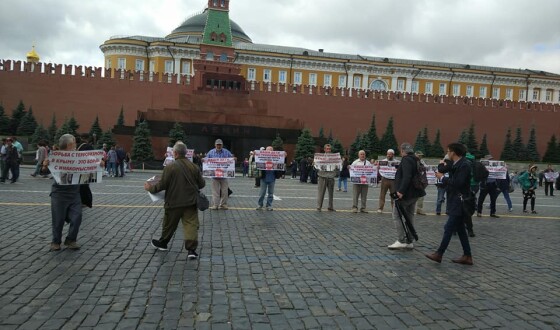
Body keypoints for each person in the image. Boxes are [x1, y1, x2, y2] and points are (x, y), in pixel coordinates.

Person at [145, 142, 205, 259]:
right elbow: (202, 184)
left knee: (169, 224)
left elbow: (162, 185)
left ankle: (163, 243)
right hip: (190, 202)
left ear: (176, 153)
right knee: (191, 225)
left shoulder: (170, 167)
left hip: (173, 202)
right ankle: (191, 250)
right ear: (185, 153)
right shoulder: (194, 167)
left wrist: (150, 188)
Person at [49, 134, 100, 251]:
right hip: (59, 193)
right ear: (68, 145)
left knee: (77, 217)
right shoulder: (56, 156)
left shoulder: (79, 157)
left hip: (74, 193)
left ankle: (71, 240)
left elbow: (91, 164)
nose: (76, 146)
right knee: (58, 219)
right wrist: (45, 165)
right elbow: (45, 169)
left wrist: (99, 164)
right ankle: (55, 241)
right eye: (74, 144)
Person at [426, 143, 474, 265]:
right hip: (455, 199)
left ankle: (439, 254)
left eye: (448, 151)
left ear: (453, 152)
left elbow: (458, 183)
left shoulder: (464, 165)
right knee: (461, 229)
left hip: (460, 200)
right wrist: (442, 162)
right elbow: (442, 169)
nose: (447, 153)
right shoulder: (456, 163)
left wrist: (442, 178)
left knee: (449, 227)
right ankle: (467, 256)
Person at [388, 143, 426, 250]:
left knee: (396, 215)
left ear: (402, 150)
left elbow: (407, 176)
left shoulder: (406, 159)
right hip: (415, 193)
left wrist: (401, 191)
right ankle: (409, 240)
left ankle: (401, 240)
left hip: (406, 194)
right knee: (410, 216)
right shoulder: (416, 159)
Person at [205, 139, 233, 210]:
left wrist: (234, 159)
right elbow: (206, 159)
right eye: (217, 144)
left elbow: (231, 158)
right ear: (215, 145)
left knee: (225, 191)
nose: (219, 146)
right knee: (215, 192)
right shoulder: (211, 152)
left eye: (220, 144)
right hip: (214, 176)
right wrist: (204, 160)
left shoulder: (226, 152)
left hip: (224, 175)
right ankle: (215, 205)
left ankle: (223, 204)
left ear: (222, 145)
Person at [256, 146, 284, 211]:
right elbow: (257, 161)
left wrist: (284, 156)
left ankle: (269, 205)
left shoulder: (275, 158)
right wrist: (255, 154)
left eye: (270, 150)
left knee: (271, 193)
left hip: (272, 178)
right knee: (262, 193)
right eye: (267, 150)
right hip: (264, 178)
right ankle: (260, 205)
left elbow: (281, 162)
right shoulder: (262, 158)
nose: (269, 152)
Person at [316, 144, 339, 211]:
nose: (329, 150)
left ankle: (330, 206)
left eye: (329, 149)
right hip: (322, 176)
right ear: (324, 149)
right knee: (321, 192)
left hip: (331, 176)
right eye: (327, 149)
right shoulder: (320, 157)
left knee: (331, 193)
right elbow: (317, 166)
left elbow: (337, 167)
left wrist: (339, 164)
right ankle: (319, 206)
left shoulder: (334, 157)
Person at [377, 149, 397, 213]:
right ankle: (380, 208)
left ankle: (394, 208)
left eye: (390, 154)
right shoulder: (382, 161)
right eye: (388, 154)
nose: (389, 155)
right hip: (384, 179)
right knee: (382, 194)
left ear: (393, 155)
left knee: (394, 195)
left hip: (393, 180)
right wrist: (377, 166)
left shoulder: (397, 162)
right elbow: (378, 169)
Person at [414, 151, 427, 215]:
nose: (420, 156)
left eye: (421, 155)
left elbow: (426, 169)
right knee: (411, 196)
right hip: (414, 181)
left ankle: (419, 209)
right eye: (419, 155)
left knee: (421, 196)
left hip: (421, 181)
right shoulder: (413, 161)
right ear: (415, 155)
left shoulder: (422, 161)